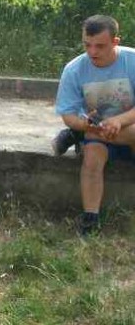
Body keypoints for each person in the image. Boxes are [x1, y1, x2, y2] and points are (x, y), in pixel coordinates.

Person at [55, 14, 135, 235]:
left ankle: (77, 136)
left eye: (100, 46)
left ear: (115, 42)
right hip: (94, 129)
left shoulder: (132, 61)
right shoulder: (74, 69)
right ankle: (90, 220)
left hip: (128, 128)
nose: (92, 52)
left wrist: (118, 121)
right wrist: (84, 125)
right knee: (91, 158)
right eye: (87, 45)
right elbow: (68, 115)